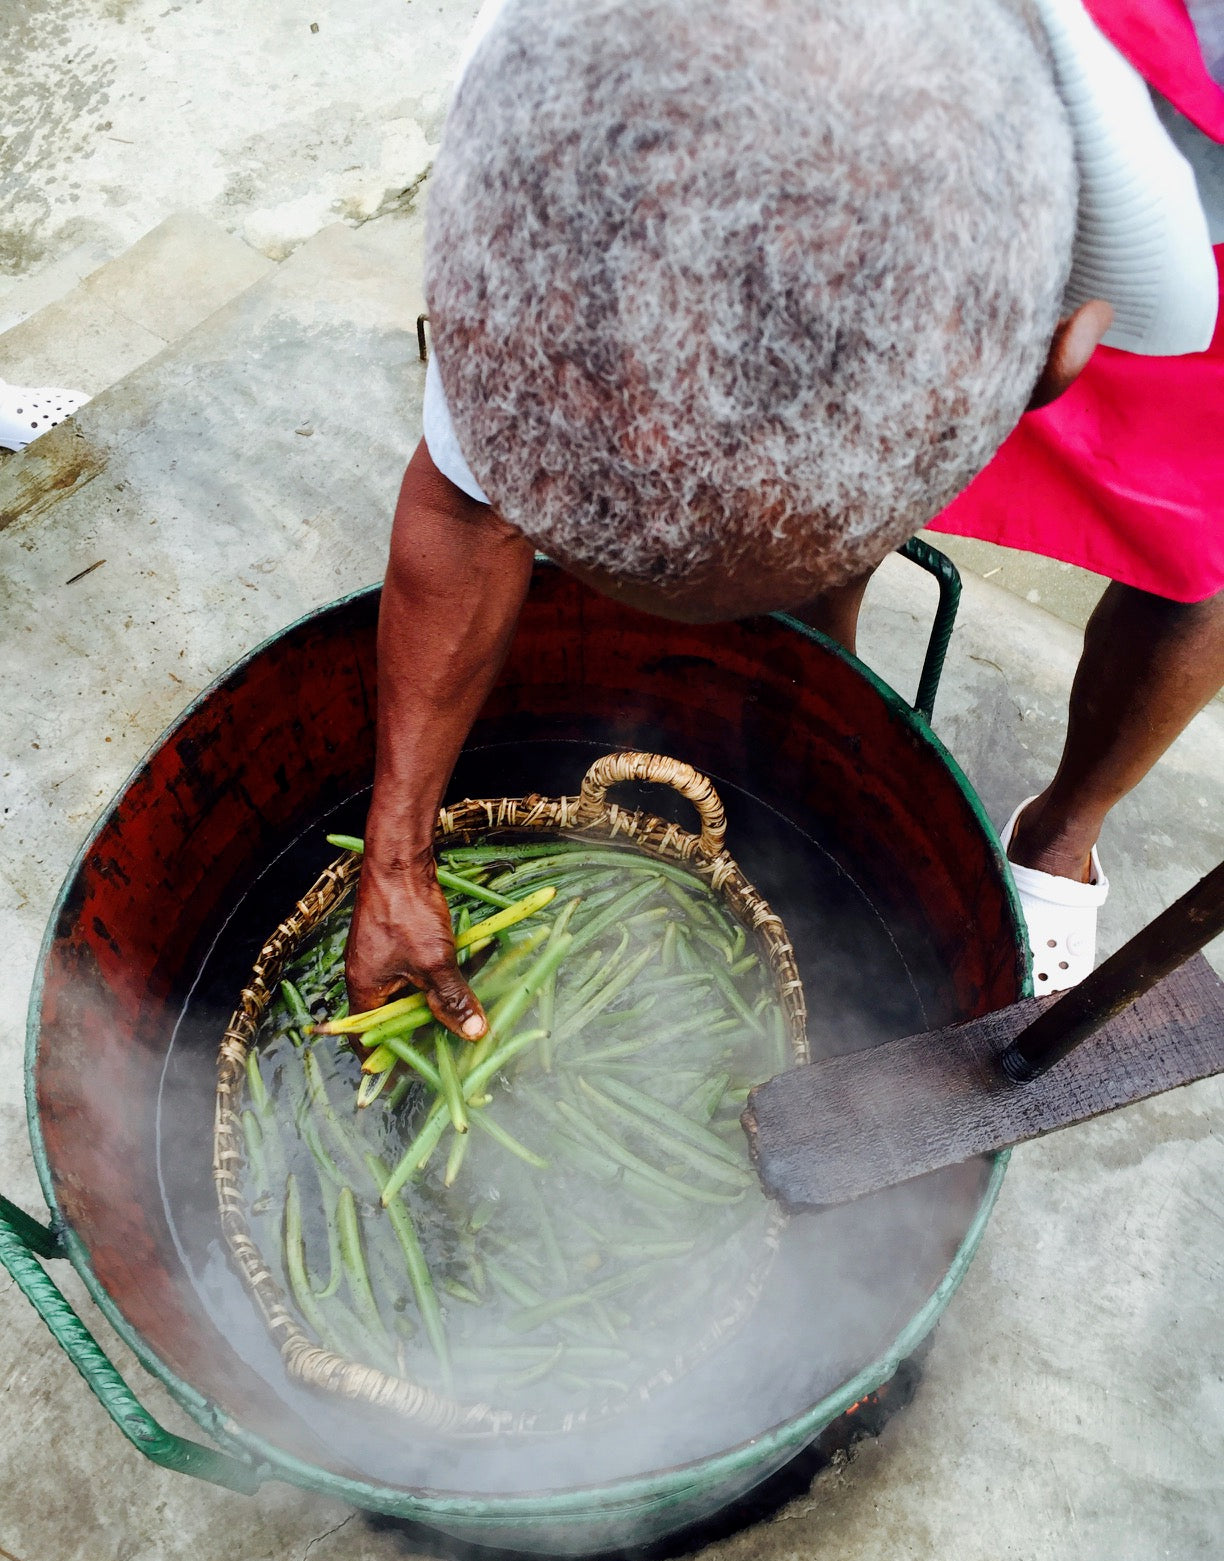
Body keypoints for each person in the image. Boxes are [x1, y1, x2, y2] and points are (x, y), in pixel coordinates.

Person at [346, 0, 1224, 1035]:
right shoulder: (553, 128)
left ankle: (1062, 833)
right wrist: (393, 850)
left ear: (1052, 358)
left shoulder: (1082, 254)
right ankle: (807, 721)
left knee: (1195, 529)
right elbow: (464, 492)